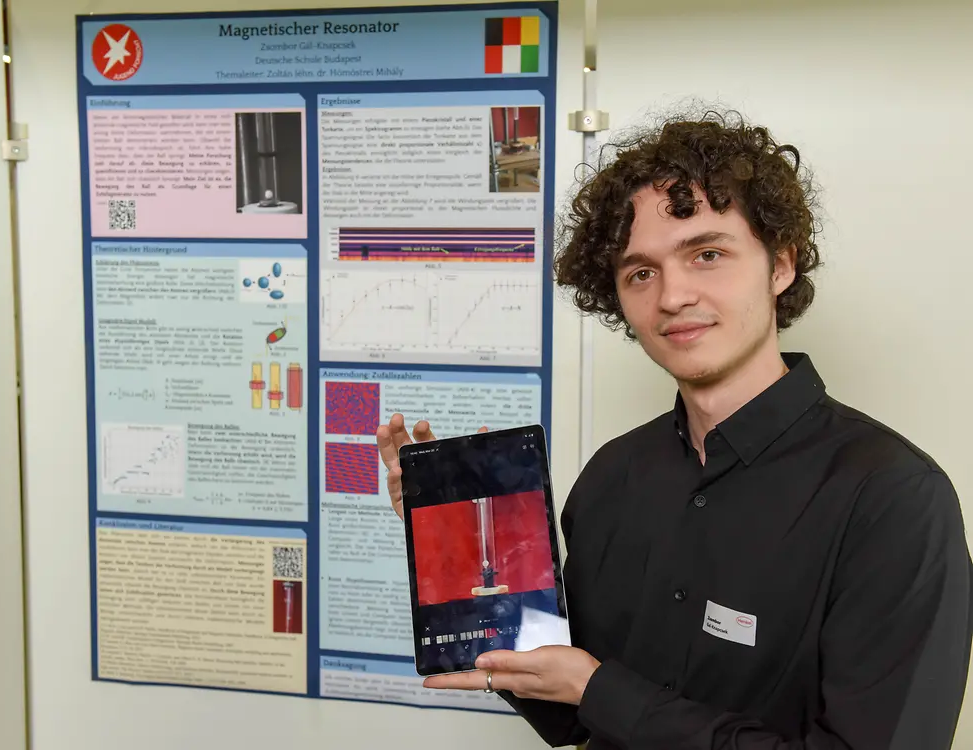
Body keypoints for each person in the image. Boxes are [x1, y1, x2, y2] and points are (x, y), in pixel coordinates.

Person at [375, 109, 973, 749]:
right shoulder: (613, 475)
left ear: (781, 266)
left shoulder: (892, 497)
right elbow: (569, 710)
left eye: (707, 254)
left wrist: (600, 689)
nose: (672, 296)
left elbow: (593, 692)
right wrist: (460, 550)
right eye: (640, 273)